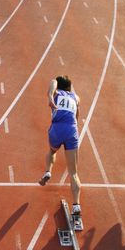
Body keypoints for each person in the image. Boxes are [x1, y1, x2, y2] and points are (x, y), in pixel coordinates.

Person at [39, 75, 82, 218]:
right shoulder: (76, 97)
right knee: (73, 173)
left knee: (52, 151)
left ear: (58, 86)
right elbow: (77, 117)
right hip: (71, 130)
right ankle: (76, 205)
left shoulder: (56, 93)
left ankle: (48, 171)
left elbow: (52, 81)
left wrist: (50, 96)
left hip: (57, 129)